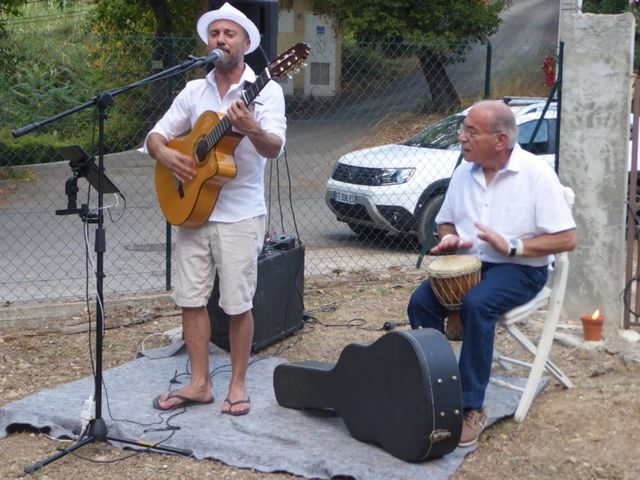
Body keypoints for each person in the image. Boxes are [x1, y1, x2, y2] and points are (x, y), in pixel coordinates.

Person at [407, 100, 577, 446]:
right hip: (471, 266)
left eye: (471, 131)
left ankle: (470, 407)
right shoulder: (463, 173)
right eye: (463, 129)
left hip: (521, 268)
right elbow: (446, 221)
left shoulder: (536, 174)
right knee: (421, 302)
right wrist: (450, 239)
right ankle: (434, 388)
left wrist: (512, 246)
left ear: (500, 140)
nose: (461, 137)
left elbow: (567, 238)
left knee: (477, 304)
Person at [145, 2, 286, 416]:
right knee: (191, 299)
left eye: (229, 34)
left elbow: (273, 148)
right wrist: (166, 156)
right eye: (215, 34)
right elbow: (157, 135)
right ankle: (200, 383)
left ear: (245, 42)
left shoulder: (268, 89)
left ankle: (238, 385)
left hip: (240, 212)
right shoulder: (194, 90)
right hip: (192, 212)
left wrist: (251, 127)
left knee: (238, 304)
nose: (220, 40)